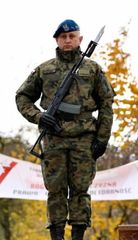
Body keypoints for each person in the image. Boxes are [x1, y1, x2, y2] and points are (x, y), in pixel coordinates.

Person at [15, 19, 115, 240]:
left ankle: (78, 236)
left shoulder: (93, 69)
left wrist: (102, 139)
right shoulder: (45, 69)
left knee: (80, 191)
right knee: (55, 192)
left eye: (72, 36)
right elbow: (22, 97)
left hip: (84, 140)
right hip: (54, 140)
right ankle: (57, 237)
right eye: (63, 37)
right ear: (57, 40)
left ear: (80, 39)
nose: (68, 40)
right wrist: (39, 117)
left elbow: (107, 104)